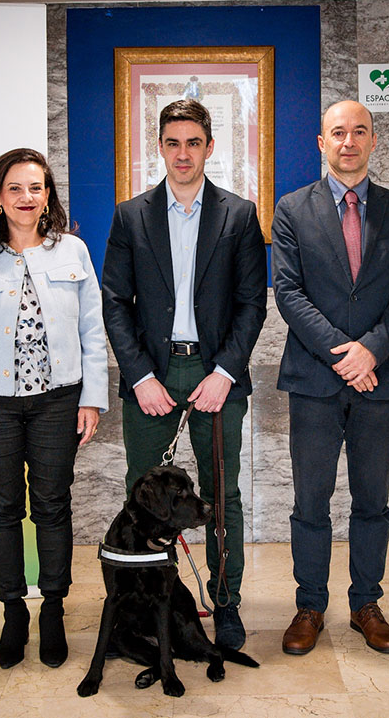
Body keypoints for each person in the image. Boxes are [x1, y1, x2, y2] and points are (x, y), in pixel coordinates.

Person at [101, 99, 267, 650]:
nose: (182, 153)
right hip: (151, 372)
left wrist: (224, 371)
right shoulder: (131, 216)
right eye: (172, 142)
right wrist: (142, 375)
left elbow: (251, 304)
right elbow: (115, 302)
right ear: (160, 147)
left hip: (214, 372)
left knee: (222, 496)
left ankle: (225, 603)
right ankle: (142, 611)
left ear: (210, 147)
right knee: (142, 497)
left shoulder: (239, 215)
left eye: (193, 142)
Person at [0, 147, 108, 670]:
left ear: (48, 195)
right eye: (15, 188)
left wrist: (93, 398)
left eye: (36, 187)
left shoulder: (73, 251)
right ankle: (14, 611)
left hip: (59, 401)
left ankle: (53, 608)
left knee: (54, 506)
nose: (26, 198)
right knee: (3, 508)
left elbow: (91, 330)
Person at [272, 100, 389, 655]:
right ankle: (310, 605)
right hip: (316, 380)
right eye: (338, 132)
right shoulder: (292, 209)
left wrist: (373, 352)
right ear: (321, 142)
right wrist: (346, 354)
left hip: (378, 383)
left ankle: (366, 603)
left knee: (373, 502)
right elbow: (288, 292)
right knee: (310, 502)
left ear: (374, 140)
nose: (348, 141)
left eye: (359, 131)